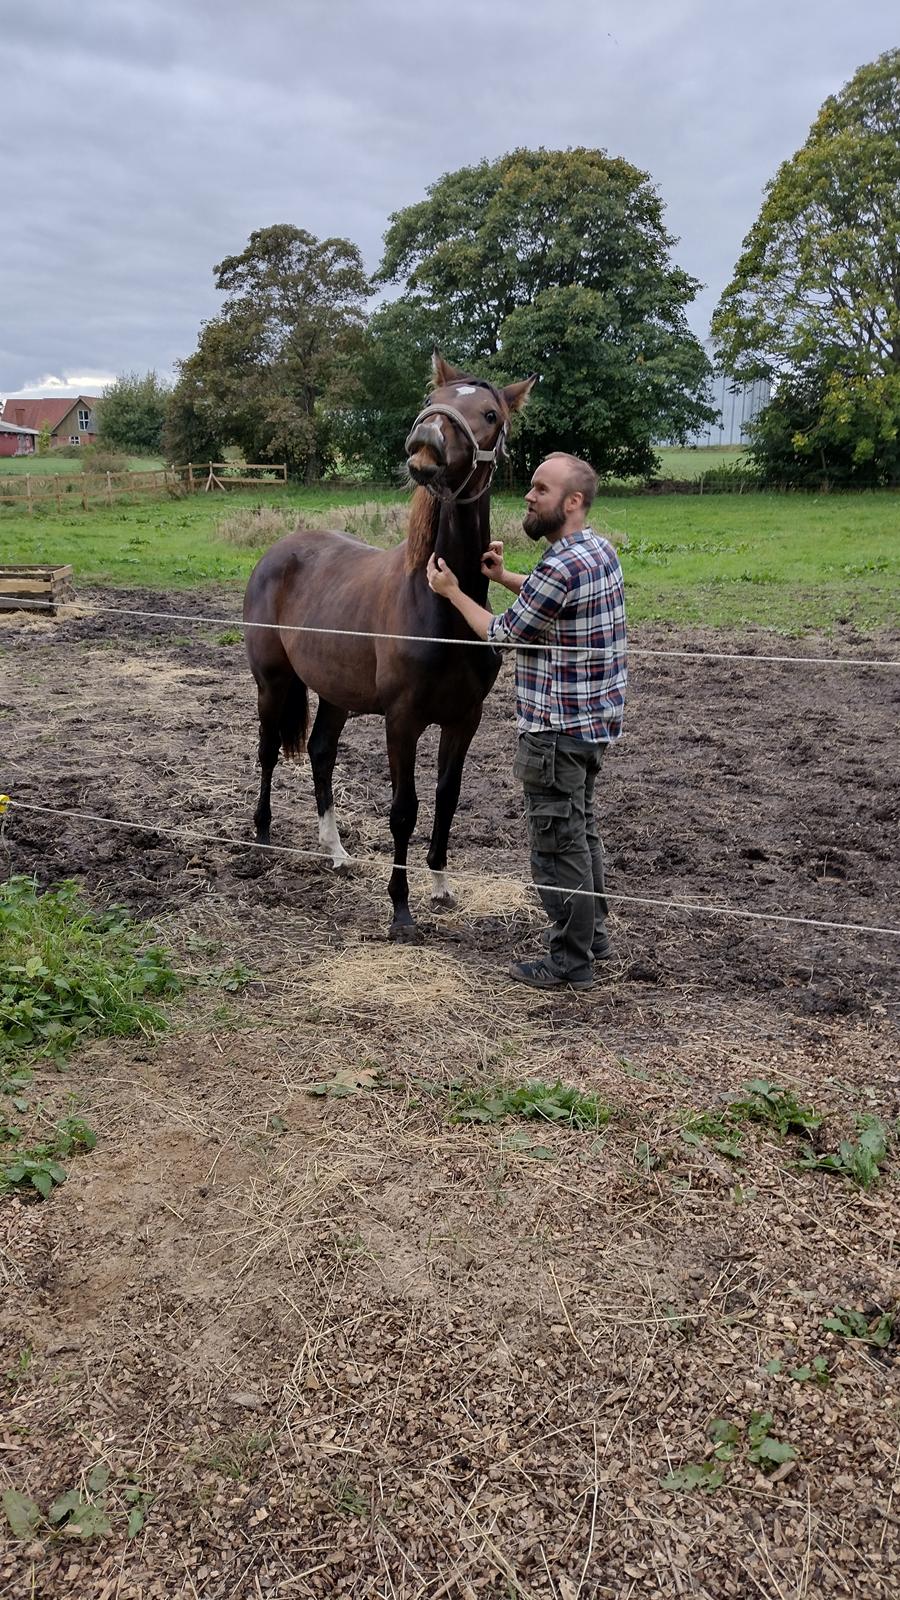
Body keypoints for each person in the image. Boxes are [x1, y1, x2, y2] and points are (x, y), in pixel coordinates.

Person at [426, 452, 627, 991]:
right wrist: (503, 574)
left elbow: (503, 633)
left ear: (573, 502)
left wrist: (454, 592)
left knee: (556, 845)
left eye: (541, 489)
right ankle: (595, 938)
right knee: (581, 832)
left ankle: (569, 962)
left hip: (555, 731)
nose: (529, 496)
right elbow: (551, 604)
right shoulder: (596, 551)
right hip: (593, 727)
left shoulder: (559, 566)